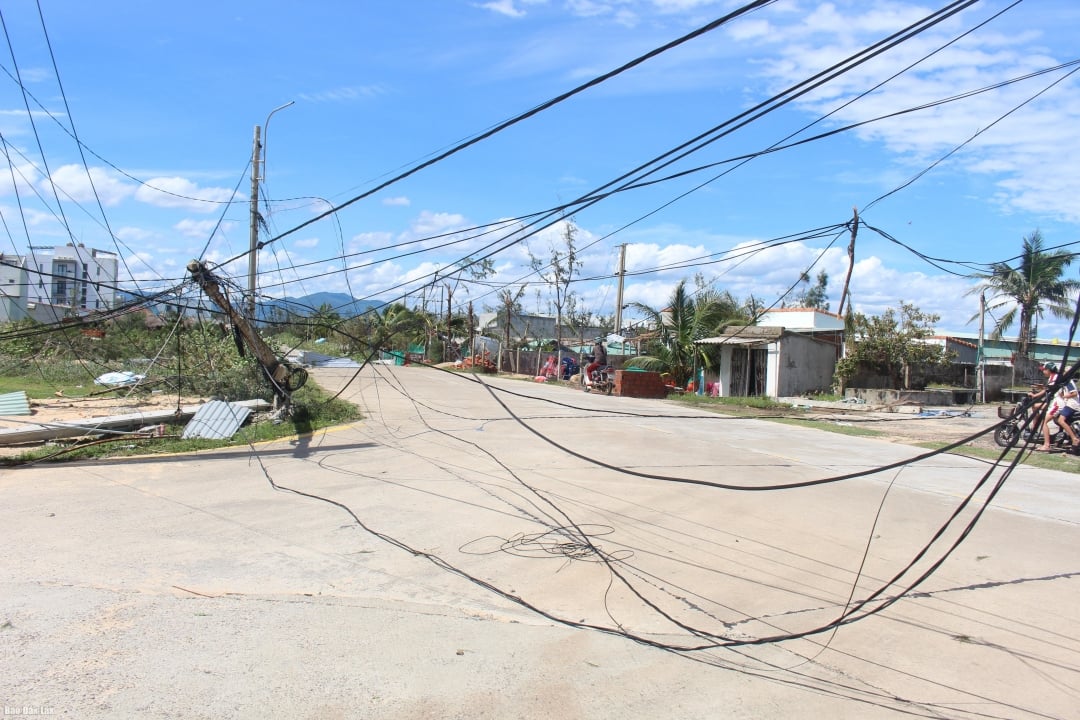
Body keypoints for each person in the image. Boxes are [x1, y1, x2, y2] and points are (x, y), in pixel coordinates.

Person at [1039, 363, 1080, 452]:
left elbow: (1074, 393)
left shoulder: (1068, 381)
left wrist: (1064, 396)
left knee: (1060, 420)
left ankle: (1074, 439)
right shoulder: (1065, 381)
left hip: (1072, 404)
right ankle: (1062, 438)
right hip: (1069, 403)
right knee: (1058, 420)